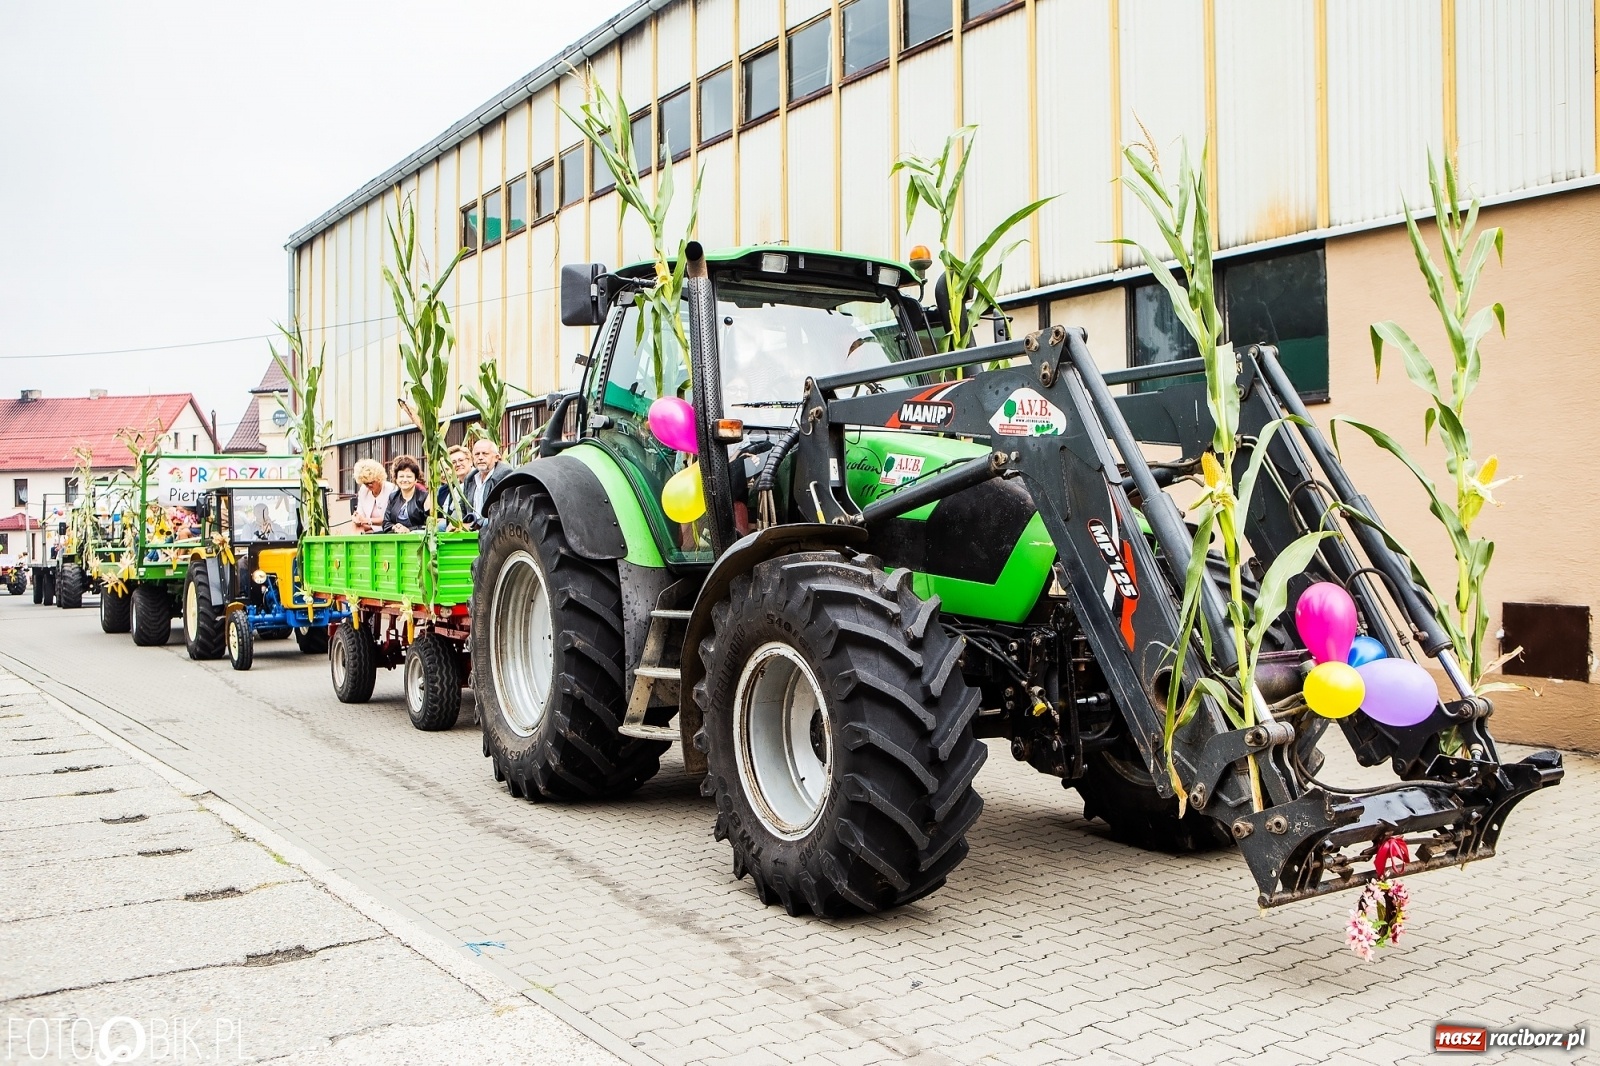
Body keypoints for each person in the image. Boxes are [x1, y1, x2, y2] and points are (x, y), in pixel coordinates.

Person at [462, 438, 513, 528]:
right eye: (477, 454)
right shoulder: (470, 478)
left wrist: (476, 524)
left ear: (496, 458)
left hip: (494, 530)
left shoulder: (504, 474)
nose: (480, 457)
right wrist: (455, 522)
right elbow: (462, 505)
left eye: (485, 454)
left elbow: (504, 512)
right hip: (471, 528)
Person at [381, 455, 431, 533]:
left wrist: (409, 530)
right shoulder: (393, 497)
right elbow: (386, 523)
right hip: (396, 538)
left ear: (416, 479)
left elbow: (430, 525)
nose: (404, 480)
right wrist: (395, 528)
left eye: (409, 476)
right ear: (396, 479)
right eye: (401, 476)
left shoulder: (425, 497)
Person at [350, 458, 394, 533]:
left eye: (371, 482)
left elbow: (389, 518)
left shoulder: (391, 489)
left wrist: (367, 521)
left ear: (379, 478)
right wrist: (356, 518)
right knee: (354, 524)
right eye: (365, 483)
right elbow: (360, 515)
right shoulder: (363, 490)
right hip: (369, 528)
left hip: (388, 529)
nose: (368, 485)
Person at [437, 446, 473, 529]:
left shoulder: (477, 480)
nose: (458, 464)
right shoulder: (454, 486)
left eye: (461, 460)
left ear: (470, 461)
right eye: (453, 462)